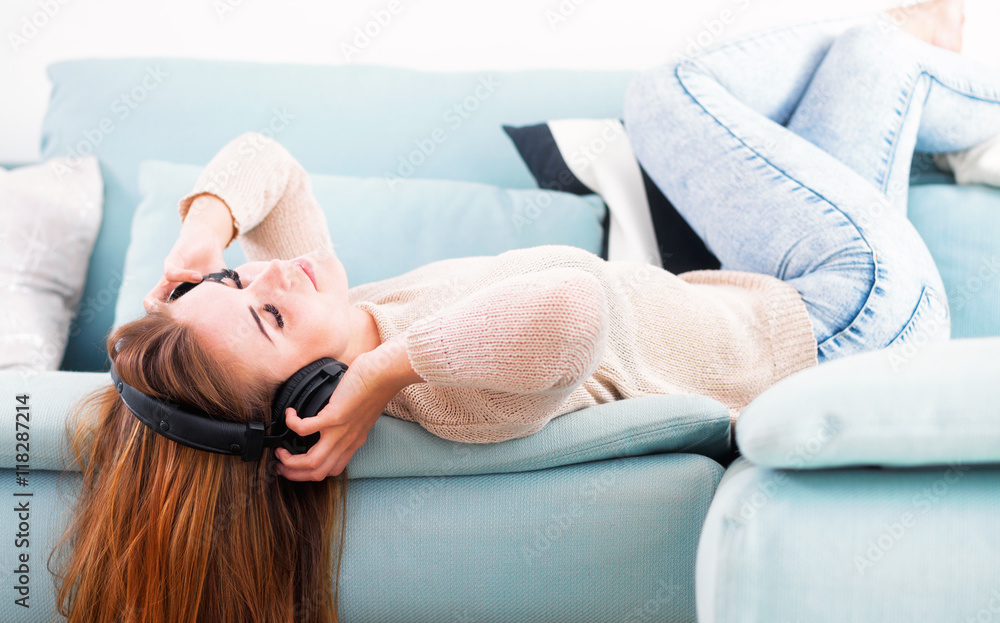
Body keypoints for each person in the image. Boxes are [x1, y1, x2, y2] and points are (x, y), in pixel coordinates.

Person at [52, 1, 998, 621]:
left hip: (791, 291)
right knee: (680, 91)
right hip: (853, 318)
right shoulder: (442, 389)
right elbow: (572, 308)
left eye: (237, 284)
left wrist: (205, 239)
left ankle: (943, 97)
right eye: (265, 318)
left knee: (865, 74)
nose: (272, 280)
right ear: (315, 390)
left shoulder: (349, 312)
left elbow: (270, 162)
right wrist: (385, 375)